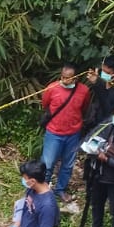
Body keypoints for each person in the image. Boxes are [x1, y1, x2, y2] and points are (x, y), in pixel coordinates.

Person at [39, 62, 90, 203]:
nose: (65, 80)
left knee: (67, 165)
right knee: (47, 164)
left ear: (76, 77)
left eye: (69, 78)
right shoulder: (52, 88)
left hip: (73, 133)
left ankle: (60, 190)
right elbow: (45, 104)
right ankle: (42, 189)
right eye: (63, 77)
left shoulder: (84, 90)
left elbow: (84, 107)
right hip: (54, 132)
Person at [83, 54, 114, 131]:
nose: (103, 74)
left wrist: (97, 83)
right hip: (95, 126)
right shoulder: (101, 84)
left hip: (109, 130)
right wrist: (95, 83)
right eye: (102, 71)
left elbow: (109, 109)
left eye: (107, 72)